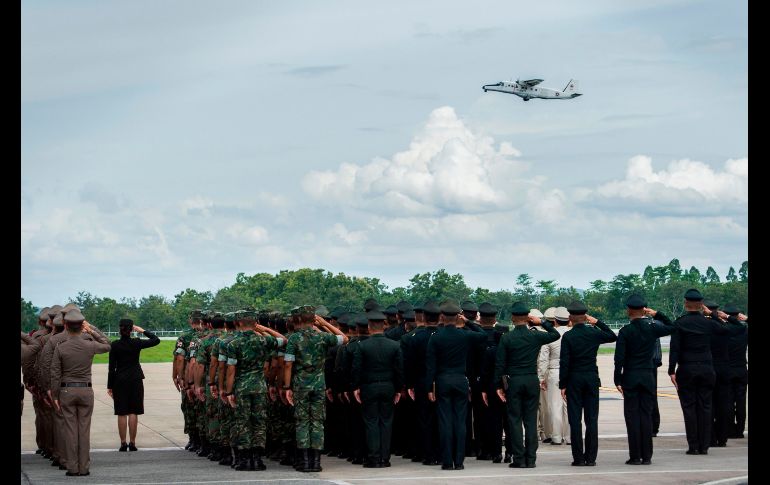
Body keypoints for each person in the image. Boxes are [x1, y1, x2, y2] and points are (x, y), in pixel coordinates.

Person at [668, 289, 742, 455]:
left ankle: (693, 445)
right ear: (702, 305)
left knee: (689, 408)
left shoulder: (680, 323)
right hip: (707, 368)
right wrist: (718, 316)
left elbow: (675, 349)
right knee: (706, 407)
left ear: (686, 304)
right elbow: (736, 328)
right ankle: (704, 445)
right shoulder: (709, 323)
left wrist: (671, 370)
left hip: (687, 368)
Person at [494, 301, 560, 468]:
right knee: (530, 420)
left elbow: (500, 364)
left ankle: (519, 458)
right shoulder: (535, 335)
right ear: (528, 318)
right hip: (531, 379)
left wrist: (498, 386)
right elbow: (555, 335)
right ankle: (531, 459)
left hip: (514, 380)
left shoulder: (507, 338)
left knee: (515, 420)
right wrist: (542, 322)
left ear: (512, 318)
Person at [283, 306, 348, 472]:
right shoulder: (322, 337)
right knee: (318, 422)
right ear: (313, 320)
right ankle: (316, 462)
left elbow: (288, 364)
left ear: (296, 320)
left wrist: (287, 386)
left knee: (302, 422)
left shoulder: (294, 339)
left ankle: (305, 462)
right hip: (319, 385)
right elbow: (344, 338)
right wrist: (324, 323)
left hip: (300, 385)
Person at [425, 300, 487, 470]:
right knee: (460, 421)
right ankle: (459, 461)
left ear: (442, 316)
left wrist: (429, 387)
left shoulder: (436, 337)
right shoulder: (465, 335)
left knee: (445, 421)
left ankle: (447, 461)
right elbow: (483, 335)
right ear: (457, 317)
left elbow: (430, 365)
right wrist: (468, 322)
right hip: (461, 380)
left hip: (443, 380)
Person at [614, 295, 675, 465]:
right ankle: (647, 455)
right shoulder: (652, 327)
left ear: (629, 310)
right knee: (646, 415)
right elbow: (672, 326)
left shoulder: (625, 331)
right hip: (648, 375)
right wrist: (657, 314)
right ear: (644, 310)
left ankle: (635, 456)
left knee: (632, 416)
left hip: (631, 376)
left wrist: (617, 379)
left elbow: (619, 358)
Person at [50, 309, 112, 476]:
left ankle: (72, 467)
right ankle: (84, 468)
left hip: (67, 390)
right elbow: (107, 344)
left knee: (70, 431)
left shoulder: (60, 347)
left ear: (66, 325)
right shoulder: (90, 344)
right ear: (81, 326)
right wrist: (91, 329)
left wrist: (54, 395)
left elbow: (55, 373)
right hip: (85, 390)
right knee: (84, 430)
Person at [559, 300, 617, 466]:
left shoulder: (568, 336)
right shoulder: (593, 333)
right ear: (585, 317)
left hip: (574, 379)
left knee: (575, 420)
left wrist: (563, 384)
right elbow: (612, 336)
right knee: (592, 419)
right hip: (591, 377)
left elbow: (565, 362)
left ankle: (578, 458)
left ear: (570, 317)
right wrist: (597, 322)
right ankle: (591, 458)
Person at [352, 309, 404, 467]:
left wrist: (355, 387)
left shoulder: (362, 346)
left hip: (369, 387)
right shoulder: (395, 345)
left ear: (369, 327)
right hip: (388, 386)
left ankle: (374, 458)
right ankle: (385, 458)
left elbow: (356, 369)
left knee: (371, 422)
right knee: (386, 422)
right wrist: (399, 389)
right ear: (384, 325)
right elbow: (400, 369)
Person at [107, 318, 160, 452]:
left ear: (120, 329)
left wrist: (110, 385)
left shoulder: (115, 345)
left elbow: (111, 368)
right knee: (133, 411)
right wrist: (142, 331)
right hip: (135, 378)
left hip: (119, 380)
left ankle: (123, 443)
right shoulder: (136, 343)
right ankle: (132, 442)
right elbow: (156, 340)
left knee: (121, 412)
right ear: (131, 329)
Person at [538, 306, 571, 447]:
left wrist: (541, 377)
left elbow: (543, 359)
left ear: (555, 321)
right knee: (570, 406)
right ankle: (570, 436)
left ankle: (556, 436)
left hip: (554, 371)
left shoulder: (550, 336)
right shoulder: (572, 333)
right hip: (571, 372)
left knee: (555, 405)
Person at [723, 303, 748, 439]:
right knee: (741, 401)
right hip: (741, 368)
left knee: (728, 401)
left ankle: (731, 429)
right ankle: (740, 430)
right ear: (738, 316)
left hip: (728, 369)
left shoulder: (724, 329)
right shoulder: (744, 330)